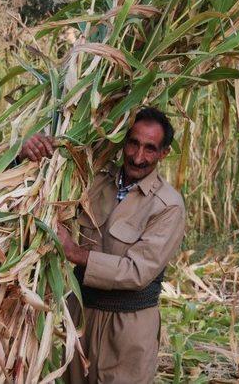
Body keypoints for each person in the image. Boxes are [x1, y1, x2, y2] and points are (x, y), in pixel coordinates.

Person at [17, 107, 186, 383]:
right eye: (133, 143)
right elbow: (36, 192)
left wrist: (73, 252)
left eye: (150, 149)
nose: (138, 157)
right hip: (82, 317)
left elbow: (137, 271)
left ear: (164, 153)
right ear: (123, 139)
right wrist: (26, 155)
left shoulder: (168, 206)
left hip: (129, 328)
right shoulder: (92, 178)